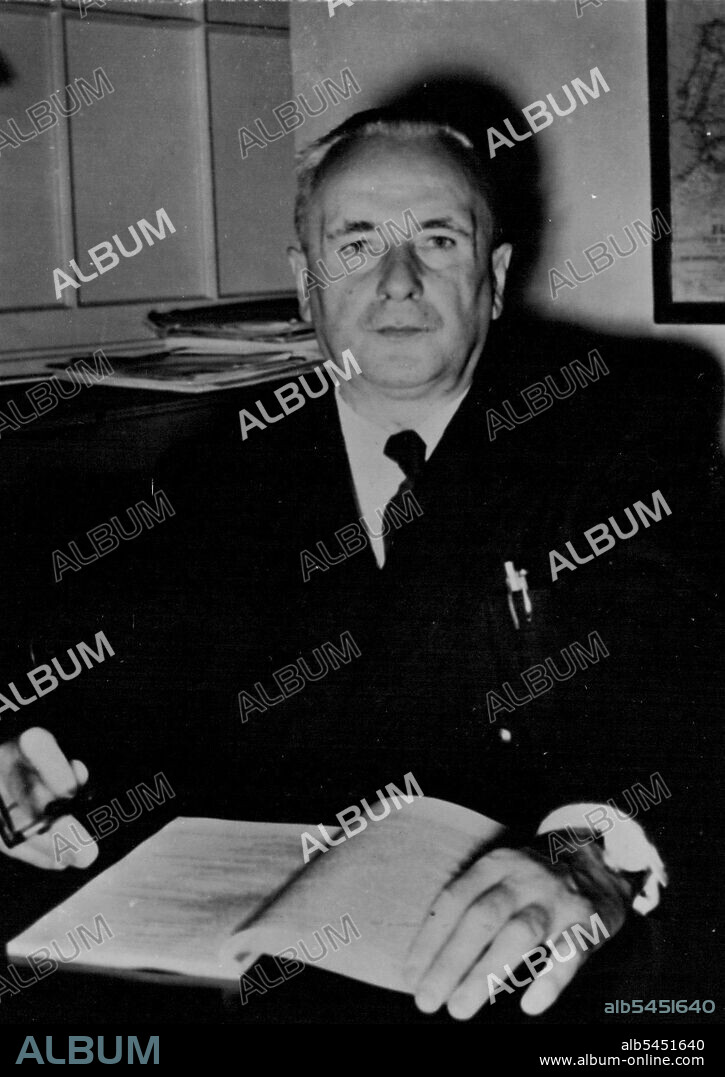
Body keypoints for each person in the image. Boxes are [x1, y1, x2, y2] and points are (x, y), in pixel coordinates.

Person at [1, 108, 722, 1021]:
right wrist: (48, 767)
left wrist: (589, 845)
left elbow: (664, 666)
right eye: (355, 245)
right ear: (304, 285)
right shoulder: (221, 470)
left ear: (493, 279)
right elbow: (136, 697)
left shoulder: (614, 428)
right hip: (282, 971)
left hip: (518, 968)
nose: (398, 281)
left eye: (436, 237)